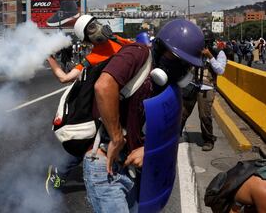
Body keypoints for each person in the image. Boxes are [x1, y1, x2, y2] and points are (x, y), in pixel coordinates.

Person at [84, 19, 204, 212]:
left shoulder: (167, 85)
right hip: (105, 163)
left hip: (132, 167)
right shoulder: (137, 54)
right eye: (176, 58)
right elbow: (104, 86)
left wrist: (148, 150)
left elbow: (166, 130)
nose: (182, 68)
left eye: (187, 64)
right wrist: (116, 137)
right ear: (160, 47)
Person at [45, 15, 133, 193]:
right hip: (104, 105)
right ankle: (59, 173)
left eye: (96, 24)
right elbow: (64, 78)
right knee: (89, 144)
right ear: (86, 39)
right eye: (91, 29)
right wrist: (50, 58)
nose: (97, 28)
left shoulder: (120, 40)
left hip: (128, 100)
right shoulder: (91, 58)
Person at [181, 35, 227, 151]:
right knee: (182, 113)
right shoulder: (195, 52)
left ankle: (208, 140)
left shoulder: (219, 53)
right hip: (191, 85)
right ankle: (175, 135)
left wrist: (210, 56)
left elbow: (220, 71)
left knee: (204, 115)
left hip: (207, 88)